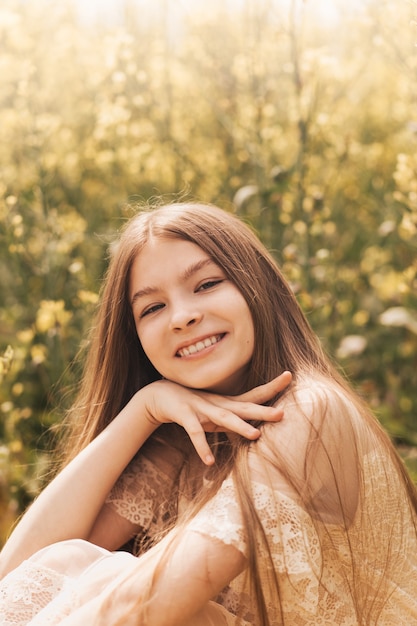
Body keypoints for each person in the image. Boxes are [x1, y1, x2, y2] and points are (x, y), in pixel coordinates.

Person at [0, 201, 416, 625]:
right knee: (76, 561)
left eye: (206, 284)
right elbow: (25, 576)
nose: (183, 316)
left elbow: (142, 605)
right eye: (152, 308)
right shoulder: (187, 443)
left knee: (127, 583)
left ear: (258, 286)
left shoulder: (310, 412)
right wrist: (143, 410)